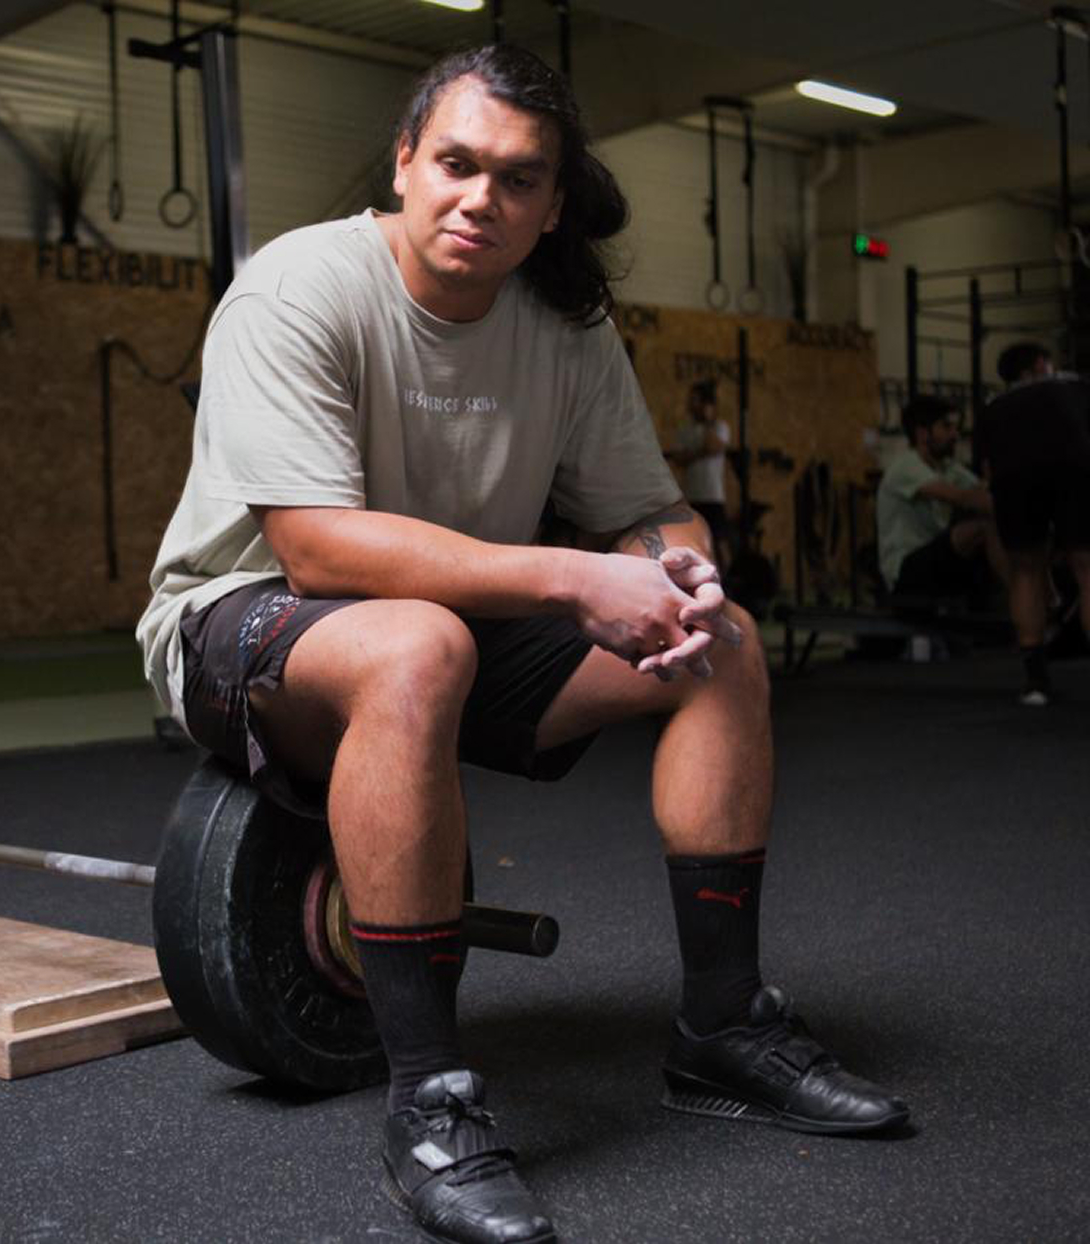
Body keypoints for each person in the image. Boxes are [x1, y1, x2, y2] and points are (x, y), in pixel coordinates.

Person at [136, 42, 907, 1244]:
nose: (477, 199)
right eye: (454, 163)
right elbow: (314, 551)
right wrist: (568, 577)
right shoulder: (300, 287)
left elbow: (645, 512)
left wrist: (676, 570)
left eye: (515, 179)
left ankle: (721, 1027)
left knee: (726, 644)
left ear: (550, 206)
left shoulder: (564, 325)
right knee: (412, 647)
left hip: (459, 621)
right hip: (235, 622)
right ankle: (429, 1100)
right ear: (403, 162)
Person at [974, 342, 1090, 705]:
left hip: (1014, 479)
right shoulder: (1074, 388)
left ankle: (1035, 681)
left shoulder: (993, 407)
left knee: (1025, 571)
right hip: (1074, 470)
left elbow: (987, 472)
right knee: (1087, 568)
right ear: (1042, 364)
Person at [876, 395, 1004, 605]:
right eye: (946, 427)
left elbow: (983, 491)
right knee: (984, 528)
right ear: (922, 433)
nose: (955, 435)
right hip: (905, 572)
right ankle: (1021, 595)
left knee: (994, 531)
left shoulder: (948, 468)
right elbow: (964, 498)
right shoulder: (906, 466)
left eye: (955, 427)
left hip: (936, 564)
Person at [664, 379, 733, 562]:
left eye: (695, 400)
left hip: (713, 496)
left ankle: (728, 584)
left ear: (706, 404)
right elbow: (679, 459)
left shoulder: (720, 427)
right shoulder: (685, 429)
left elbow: (714, 447)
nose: (690, 404)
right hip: (692, 496)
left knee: (719, 542)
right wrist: (701, 452)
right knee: (693, 542)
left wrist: (708, 423)